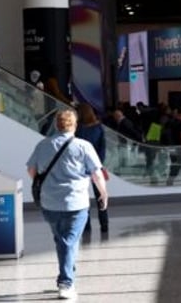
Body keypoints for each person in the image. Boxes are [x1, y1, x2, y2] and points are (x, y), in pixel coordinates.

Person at [27, 108, 108, 299]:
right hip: (76, 203)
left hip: (49, 203)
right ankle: (65, 283)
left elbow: (31, 170)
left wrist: (46, 180)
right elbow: (97, 174)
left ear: (56, 124)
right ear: (75, 125)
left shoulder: (43, 145)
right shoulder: (83, 146)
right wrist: (104, 193)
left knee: (62, 240)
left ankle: (67, 274)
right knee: (68, 242)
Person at [75, 103, 109, 233]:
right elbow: (103, 148)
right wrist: (98, 165)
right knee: (101, 195)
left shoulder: (78, 129)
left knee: (83, 197)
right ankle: (104, 225)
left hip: (81, 168)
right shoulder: (99, 127)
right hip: (96, 167)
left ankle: (86, 225)